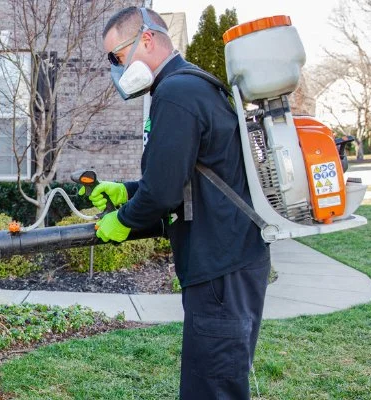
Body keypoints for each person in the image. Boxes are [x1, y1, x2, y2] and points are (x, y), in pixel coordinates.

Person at [91, 6, 272, 399]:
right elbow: (182, 176)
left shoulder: (175, 93)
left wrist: (122, 220)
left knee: (211, 390)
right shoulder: (191, 85)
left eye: (117, 57)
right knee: (215, 381)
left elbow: (163, 194)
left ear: (148, 40)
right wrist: (126, 190)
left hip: (221, 268)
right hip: (231, 261)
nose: (117, 69)